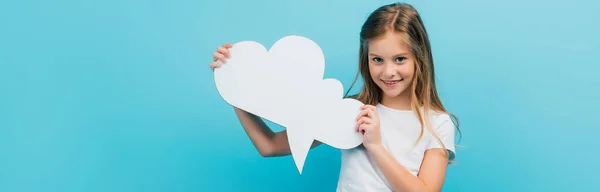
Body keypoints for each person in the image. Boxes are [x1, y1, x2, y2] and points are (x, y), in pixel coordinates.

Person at [209, 2, 461, 192]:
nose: (388, 71)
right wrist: (233, 85)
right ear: (366, 59)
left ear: (420, 58)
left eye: (400, 59)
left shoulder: (437, 123)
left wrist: (374, 145)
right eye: (377, 60)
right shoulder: (349, 111)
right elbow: (270, 145)